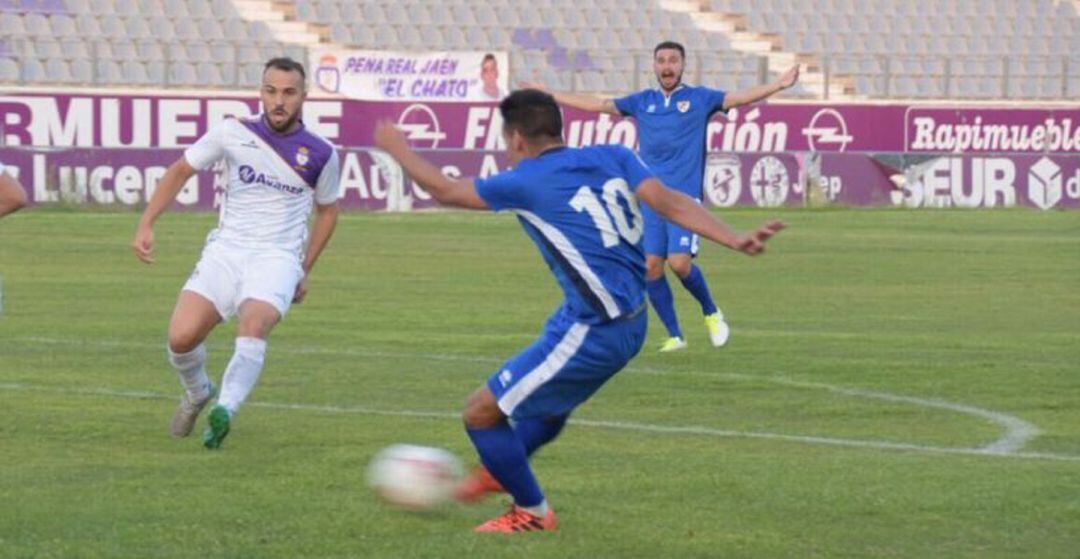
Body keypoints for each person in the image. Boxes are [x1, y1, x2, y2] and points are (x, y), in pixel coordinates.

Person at [373, 89, 784, 532]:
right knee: (550, 405)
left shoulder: (525, 180)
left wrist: (397, 148)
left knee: (480, 413)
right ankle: (500, 470)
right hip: (625, 320)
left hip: (597, 328)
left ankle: (531, 511)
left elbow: (445, 190)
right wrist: (734, 238)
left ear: (514, 139)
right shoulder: (613, 155)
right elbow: (670, 202)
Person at [528, 41, 799, 352]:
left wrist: (778, 84)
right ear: (654, 66)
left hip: (683, 200)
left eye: (673, 60)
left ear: (682, 65)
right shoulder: (643, 101)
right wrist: (550, 95)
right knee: (651, 266)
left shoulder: (700, 98)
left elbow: (738, 98)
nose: (667, 66)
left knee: (680, 264)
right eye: (661, 61)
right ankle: (675, 335)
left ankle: (711, 312)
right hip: (650, 198)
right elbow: (599, 104)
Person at [131, 57, 341, 449]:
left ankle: (224, 410)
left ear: (304, 97)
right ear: (261, 92)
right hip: (226, 251)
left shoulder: (322, 152)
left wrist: (302, 268)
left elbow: (328, 211)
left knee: (254, 323)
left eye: (289, 93)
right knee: (180, 338)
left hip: (276, 257)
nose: (279, 101)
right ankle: (198, 392)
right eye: (271, 91)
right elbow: (180, 170)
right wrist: (146, 223)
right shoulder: (232, 132)